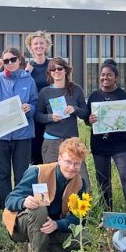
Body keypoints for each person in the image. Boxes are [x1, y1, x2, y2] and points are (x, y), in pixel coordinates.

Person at [2, 137, 89, 252]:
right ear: (59, 159)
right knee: (39, 207)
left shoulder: (80, 183)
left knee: (84, 240)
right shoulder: (37, 172)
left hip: (50, 226)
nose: (71, 167)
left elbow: (78, 218)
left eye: (76, 164)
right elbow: (10, 200)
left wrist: (57, 224)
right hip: (22, 225)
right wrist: (23, 201)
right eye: (68, 162)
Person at [0, 47, 39, 210]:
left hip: (22, 135)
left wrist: (30, 108)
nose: (10, 63)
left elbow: (35, 103)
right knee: (2, 174)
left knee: (21, 174)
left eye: (13, 59)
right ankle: (6, 208)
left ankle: (20, 208)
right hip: (0, 135)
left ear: (19, 60)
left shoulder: (29, 80)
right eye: (6, 61)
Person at [85, 59, 126, 212]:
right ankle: (107, 214)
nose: (105, 77)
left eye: (109, 75)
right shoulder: (94, 96)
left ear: (116, 78)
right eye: (103, 75)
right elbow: (87, 120)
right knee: (103, 182)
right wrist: (89, 120)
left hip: (120, 145)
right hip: (99, 145)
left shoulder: (124, 95)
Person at [35, 57, 90, 185]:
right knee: (51, 179)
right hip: (51, 141)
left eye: (59, 68)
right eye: (53, 69)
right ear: (49, 73)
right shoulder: (45, 92)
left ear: (66, 70)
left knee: (81, 179)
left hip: (72, 141)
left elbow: (85, 113)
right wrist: (50, 117)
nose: (56, 71)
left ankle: (83, 199)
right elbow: (37, 115)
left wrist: (75, 109)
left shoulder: (76, 89)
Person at [24, 31, 52, 166]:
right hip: (34, 114)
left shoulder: (53, 66)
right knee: (35, 153)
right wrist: (26, 73)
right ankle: (38, 178)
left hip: (51, 114)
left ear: (47, 45)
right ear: (30, 47)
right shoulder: (27, 68)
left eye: (42, 43)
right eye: (35, 44)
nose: (39, 46)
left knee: (51, 152)